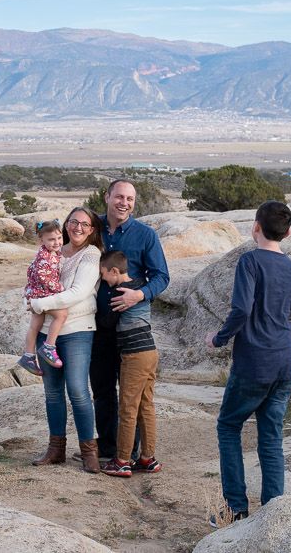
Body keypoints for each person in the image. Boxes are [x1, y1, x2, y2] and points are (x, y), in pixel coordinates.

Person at [204, 200, 291, 525]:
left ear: (255, 227)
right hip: (284, 365)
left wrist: (218, 338)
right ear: (288, 232)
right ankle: (272, 515)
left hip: (253, 363)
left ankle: (236, 510)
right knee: (271, 437)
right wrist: (280, 336)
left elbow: (240, 310)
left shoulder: (250, 261)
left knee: (228, 426)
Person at [92, 179, 170, 460]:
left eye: (130, 199)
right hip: (97, 325)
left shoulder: (145, 235)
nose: (124, 203)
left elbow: (162, 277)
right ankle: (108, 446)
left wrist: (139, 295)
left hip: (130, 331)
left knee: (131, 394)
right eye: (119, 197)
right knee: (102, 390)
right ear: (107, 197)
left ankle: (131, 452)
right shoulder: (92, 227)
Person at [26, 206, 104, 472]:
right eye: (73, 222)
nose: (78, 228)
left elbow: (78, 291)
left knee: (79, 391)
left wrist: (38, 304)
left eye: (84, 224)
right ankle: (56, 449)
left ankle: (89, 451)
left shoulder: (91, 254)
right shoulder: (53, 252)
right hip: (47, 331)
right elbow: (36, 279)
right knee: (52, 393)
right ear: (65, 225)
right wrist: (36, 301)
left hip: (78, 331)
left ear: (92, 229)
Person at [97, 250, 161, 478]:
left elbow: (107, 322)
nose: (103, 279)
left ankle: (122, 460)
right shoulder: (140, 285)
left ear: (114, 271)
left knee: (127, 408)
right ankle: (148, 458)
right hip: (150, 352)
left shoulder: (121, 294)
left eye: (104, 274)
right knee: (146, 406)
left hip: (134, 355)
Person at [17, 219, 66, 375]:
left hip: (35, 292)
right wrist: (61, 288)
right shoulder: (46, 258)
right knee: (61, 315)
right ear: (41, 240)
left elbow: (30, 271)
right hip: (41, 293)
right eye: (51, 239)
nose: (56, 242)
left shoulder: (47, 253)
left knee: (35, 325)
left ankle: (28, 355)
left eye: (59, 238)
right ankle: (49, 347)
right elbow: (43, 277)